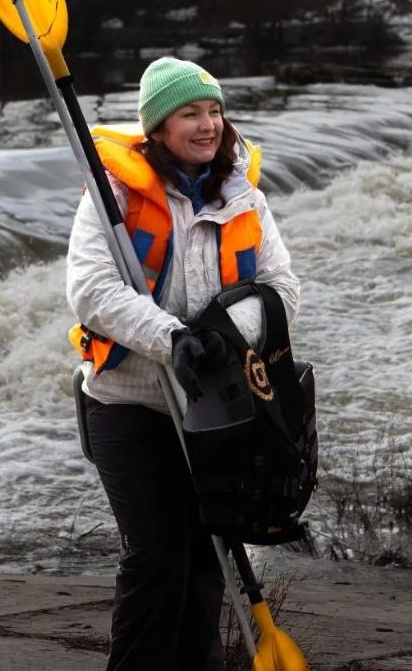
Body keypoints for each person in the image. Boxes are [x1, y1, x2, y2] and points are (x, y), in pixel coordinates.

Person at [66, 56, 300, 671]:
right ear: (159, 128)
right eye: (190, 113)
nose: (207, 125)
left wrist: (223, 336)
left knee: (205, 561)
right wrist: (173, 340)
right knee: (156, 557)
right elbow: (91, 290)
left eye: (214, 111)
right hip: (129, 403)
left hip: (215, 408)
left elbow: (281, 289)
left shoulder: (243, 193)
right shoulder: (113, 194)